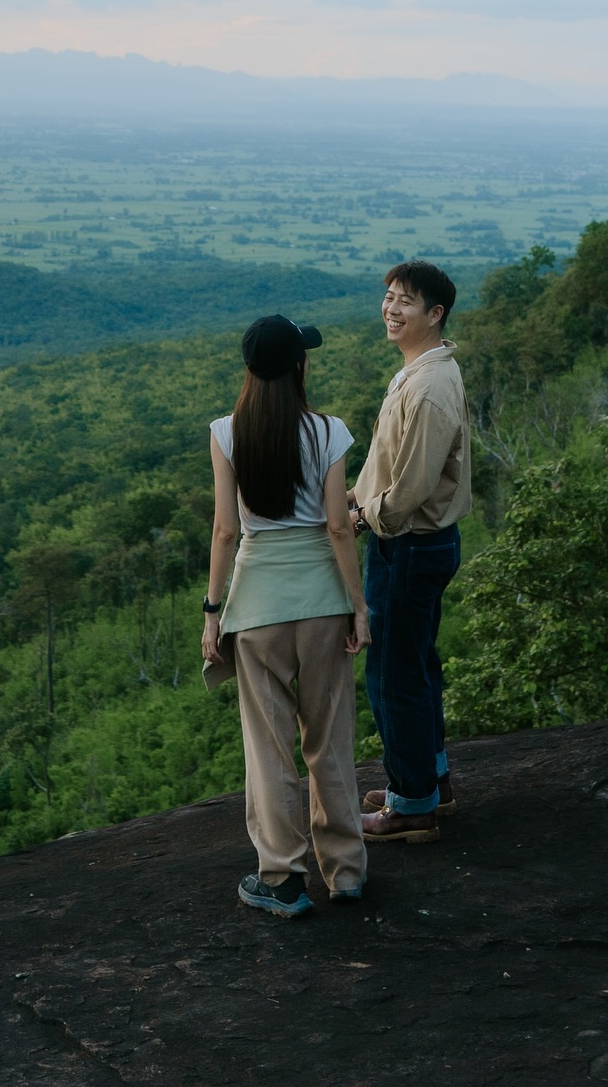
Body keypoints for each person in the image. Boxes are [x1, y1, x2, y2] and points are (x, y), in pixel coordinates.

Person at [202, 314, 371, 917]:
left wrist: (212, 611)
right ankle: (347, 874)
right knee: (330, 742)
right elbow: (336, 526)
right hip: (323, 599)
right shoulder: (328, 431)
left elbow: (225, 530)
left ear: (249, 371)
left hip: (257, 605)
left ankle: (283, 881)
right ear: (299, 365)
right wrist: (357, 606)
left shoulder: (226, 434)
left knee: (269, 748)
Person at [348, 261, 471, 845]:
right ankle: (429, 781)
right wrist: (356, 495)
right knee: (417, 664)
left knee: (392, 673)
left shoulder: (426, 388)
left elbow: (412, 488)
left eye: (407, 302)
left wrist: (361, 516)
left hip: (409, 543)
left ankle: (412, 803)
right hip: (415, 539)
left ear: (435, 314)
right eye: (389, 297)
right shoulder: (421, 372)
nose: (392, 309)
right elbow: (389, 467)